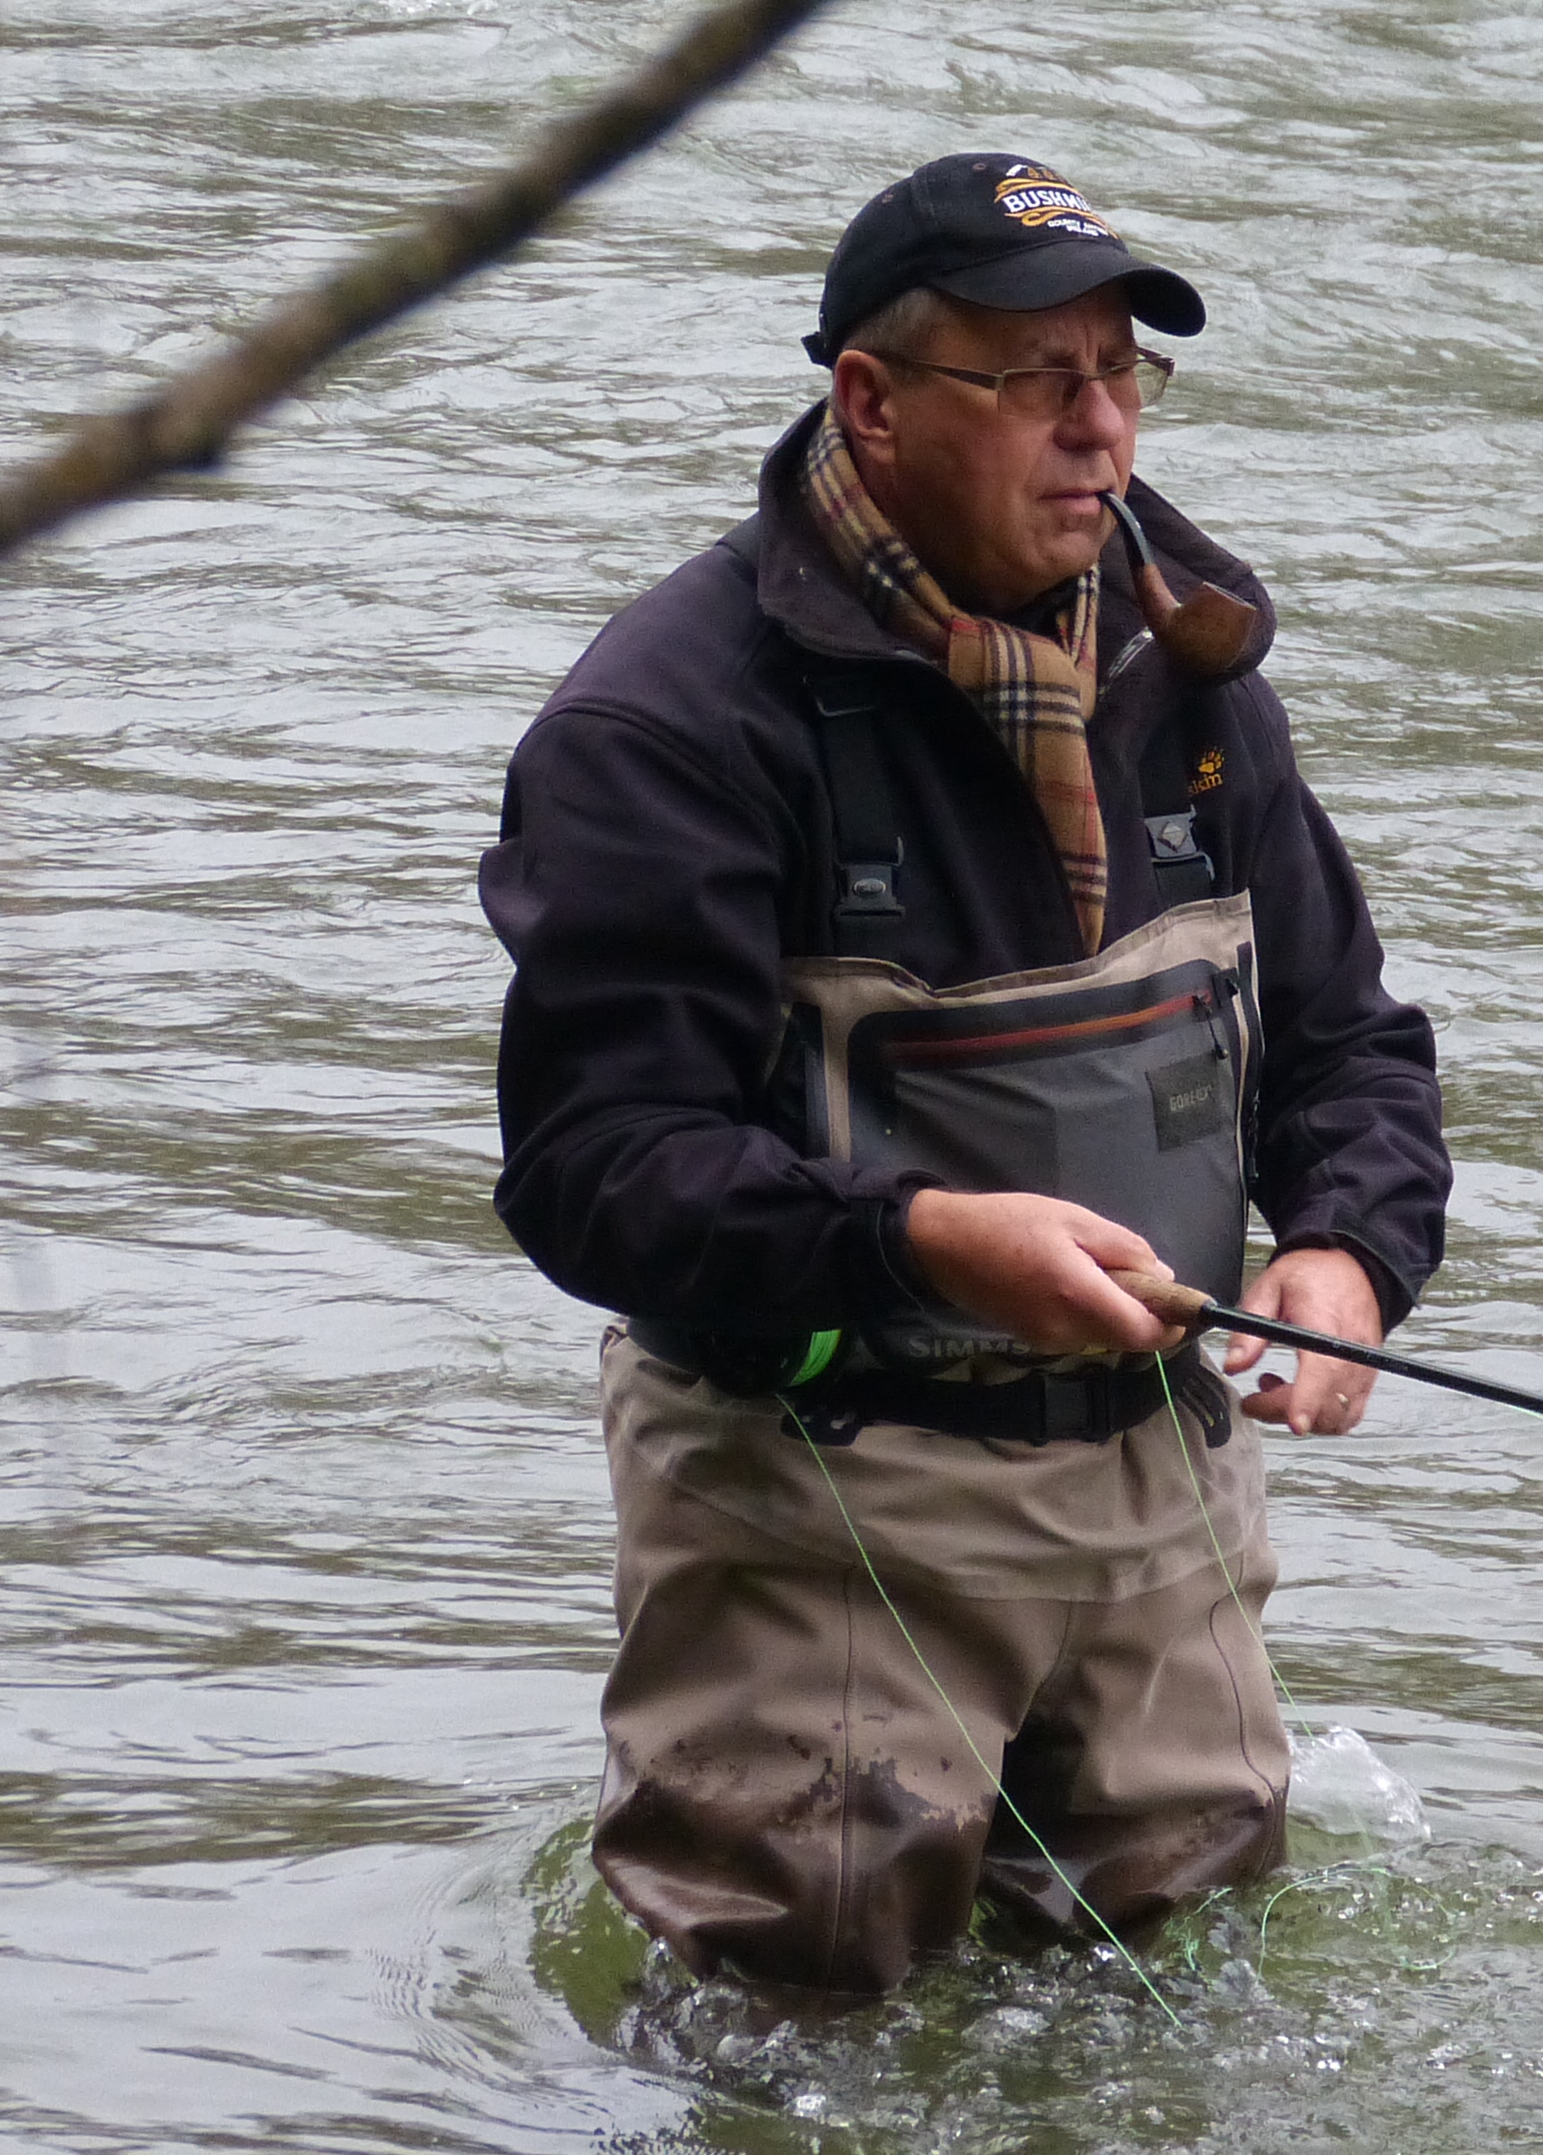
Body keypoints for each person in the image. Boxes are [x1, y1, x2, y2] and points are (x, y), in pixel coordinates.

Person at [478, 151, 1449, 1997]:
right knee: (791, 2044)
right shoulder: (667, 727)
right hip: (821, 1500)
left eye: (1124, 376)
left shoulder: (1197, 674)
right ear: (873, 401)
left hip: (1164, 1483)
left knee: (1178, 2010)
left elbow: (1350, 1041)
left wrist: (1350, 1248)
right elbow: (597, 1168)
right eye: (1035, 383)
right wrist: (925, 1239)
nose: (1100, 432)